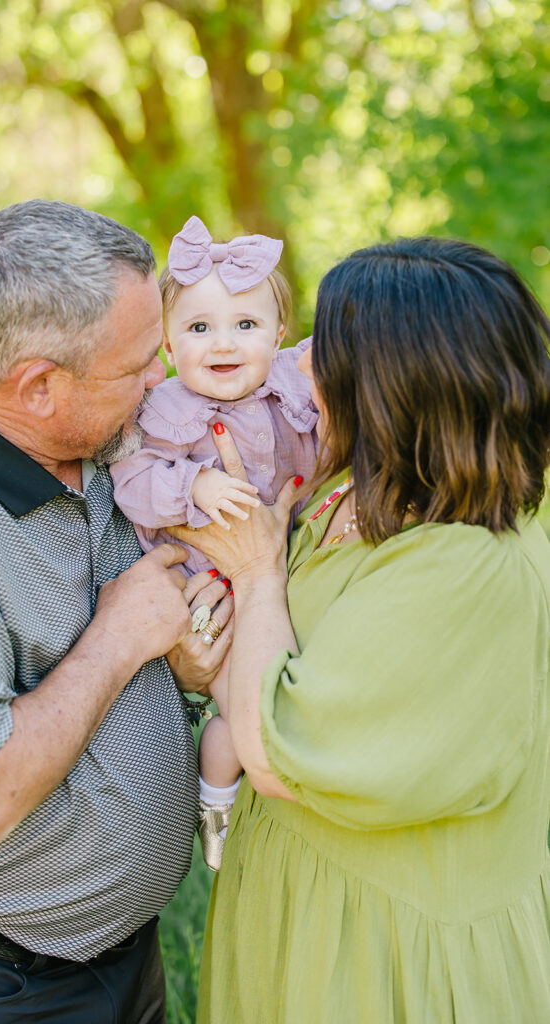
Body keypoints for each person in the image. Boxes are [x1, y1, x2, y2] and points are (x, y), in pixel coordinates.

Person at [0, 199, 233, 1023]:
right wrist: (118, 638)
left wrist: (183, 674)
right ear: (38, 385)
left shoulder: (103, 448)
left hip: (120, 962)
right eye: (139, 363)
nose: (161, 378)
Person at [170, 237, 550, 1023]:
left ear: (393, 386)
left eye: (326, 352)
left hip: (384, 960)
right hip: (294, 914)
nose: (298, 366)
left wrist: (255, 573)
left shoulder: (466, 565)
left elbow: (280, 753)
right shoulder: (349, 501)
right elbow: (276, 671)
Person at [110, 215, 319, 870]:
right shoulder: (166, 411)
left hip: (285, 562)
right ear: (167, 345)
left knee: (286, 681)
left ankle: (230, 797)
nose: (223, 344)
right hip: (208, 583)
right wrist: (196, 485)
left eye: (246, 326)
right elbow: (133, 482)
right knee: (244, 707)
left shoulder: (290, 384)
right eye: (199, 329)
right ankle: (221, 805)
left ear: (279, 335)